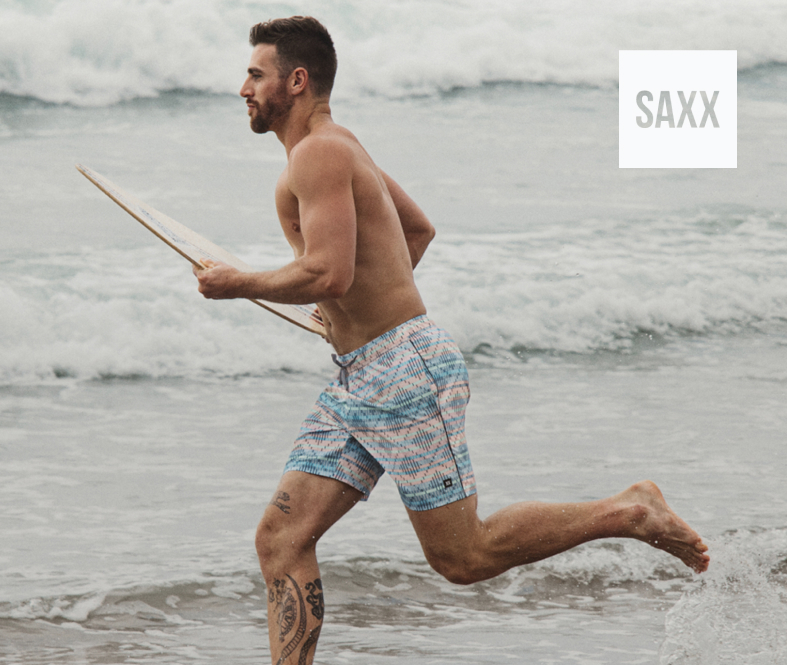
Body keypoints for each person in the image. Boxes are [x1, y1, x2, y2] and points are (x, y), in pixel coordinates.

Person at [193, 16, 710, 665]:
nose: (243, 87)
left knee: (464, 556)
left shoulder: (319, 152)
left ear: (295, 81)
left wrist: (242, 282)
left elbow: (329, 269)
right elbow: (415, 232)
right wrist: (351, 310)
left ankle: (629, 510)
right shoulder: (339, 147)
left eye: (255, 73)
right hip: (361, 374)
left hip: (402, 368)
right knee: (281, 537)